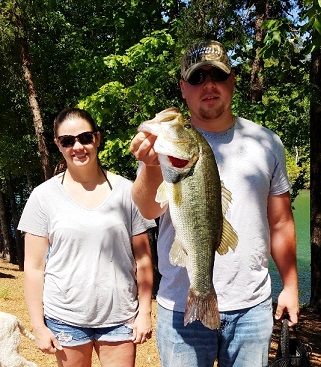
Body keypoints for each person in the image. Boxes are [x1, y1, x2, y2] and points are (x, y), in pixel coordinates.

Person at [130, 40, 299, 367]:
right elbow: (149, 210)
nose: (208, 84)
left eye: (218, 75)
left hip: (252, 308)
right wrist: (150, 165)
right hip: (181, 307)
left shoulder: (267, 143)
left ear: (232, 79)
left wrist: (290, 285)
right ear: (183, 88)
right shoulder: (166, 149)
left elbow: (280, 222)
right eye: (197, 78)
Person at [18, 107, 156, 367]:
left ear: (97, 138)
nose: (77, 146)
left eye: (85, 138)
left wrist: (145, 312)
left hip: (120, 318)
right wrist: (38, 325)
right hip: (65, 318)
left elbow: (144, 259)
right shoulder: (43, 196)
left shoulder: (128, 191)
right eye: (67, 141)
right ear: (58, 144)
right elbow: (34, 268)